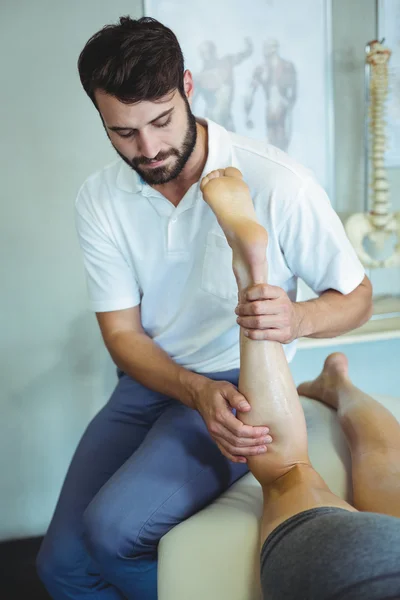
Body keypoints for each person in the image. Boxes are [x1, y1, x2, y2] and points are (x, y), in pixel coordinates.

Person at [37, 16, 372, 600]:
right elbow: (121, 333)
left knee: (113, 531)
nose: (148, 149)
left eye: (161, 121)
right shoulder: (100, 198)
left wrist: (298, 319)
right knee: (60, 568)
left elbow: (357, 299)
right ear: (100, 116)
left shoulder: (277, 182)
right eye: (122, 132)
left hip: (240, 387)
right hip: (149, 380)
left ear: (188, 86)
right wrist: (191, 390)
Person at [200, 167, 400, 600]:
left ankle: (336, 381)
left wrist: (299, 318)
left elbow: (358, 299)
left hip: (373, 566)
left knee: (364, 460)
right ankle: (258, 285)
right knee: (289, 470)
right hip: (361, 574)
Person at [245, 39, 297, 151]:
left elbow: (293, 91)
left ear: (273, 49)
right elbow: (250, 93)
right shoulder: (260, 69)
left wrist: (288, 106)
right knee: (272, 143)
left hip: (283, 109)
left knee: (282, 142)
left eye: (267, 48)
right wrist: (247, 115)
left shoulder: (287, 66)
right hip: (270, 110)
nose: (264, 52)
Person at [193, 38, 253, 131]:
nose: (207, 56)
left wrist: (248, 49)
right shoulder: (199, 77)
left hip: (225, 117)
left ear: (213, 51)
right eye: (203, 53)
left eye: (208, 52)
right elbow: (192, 99)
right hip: (211, 119)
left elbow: (241, 56)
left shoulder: (226, 62)